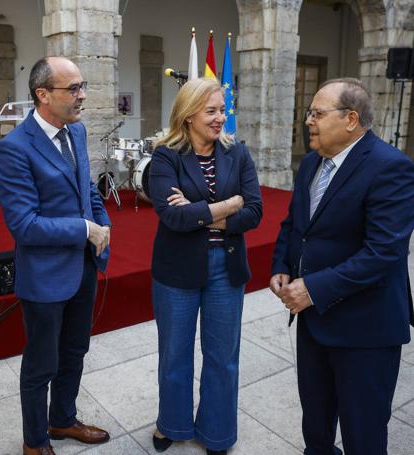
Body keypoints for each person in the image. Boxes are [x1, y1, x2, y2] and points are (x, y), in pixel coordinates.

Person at [270, 78, 414, 455]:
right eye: (309, 113)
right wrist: (282, 264)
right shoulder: (310, 164)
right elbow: (295, 225)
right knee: (315, 424)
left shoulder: (391, 167)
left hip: (365, 329)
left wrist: (313, 288)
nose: (308, 121)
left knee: (361, 433)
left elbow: (384, 252)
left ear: (351, 119)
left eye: (317, 113)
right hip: (314, 323)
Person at [0, 56, 111, 455]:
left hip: (82, 268)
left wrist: (102, 222)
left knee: (75, 351)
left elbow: (88, 190)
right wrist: (83, 229)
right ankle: (35, 441)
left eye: (82, 86)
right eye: (73, 89)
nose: (82, 96)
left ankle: (62, 420)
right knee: (41, 363)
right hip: (44, 276)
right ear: (43, 95)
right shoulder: (13, 148)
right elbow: (24, 225)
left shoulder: (75, 133)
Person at [147, 77, 262, 455]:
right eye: (211, 111)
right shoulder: (165, 156)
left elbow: (256, 210)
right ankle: (172, 424)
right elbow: (171, 217)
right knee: (174, 354)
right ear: (188, 115)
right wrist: (230, 205)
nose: (219, 119)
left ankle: (216, 433)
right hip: (177, 270)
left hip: (225, 268)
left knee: (222, 357)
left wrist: (202, 213)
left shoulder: (238, 153)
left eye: (222, 110)